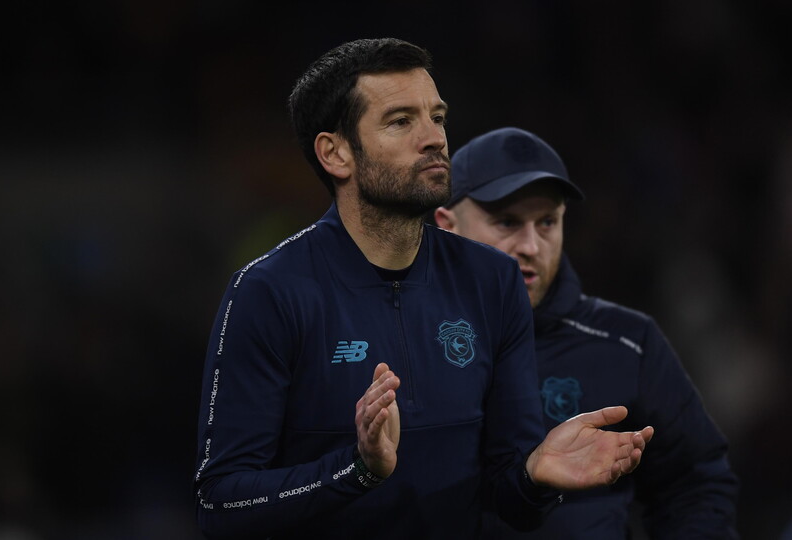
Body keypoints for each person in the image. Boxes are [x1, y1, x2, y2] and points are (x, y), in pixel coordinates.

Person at [193, 40, 654, 539]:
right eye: (401, 121)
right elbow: (222, 506)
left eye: (437, 117)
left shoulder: (493, 280)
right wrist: (357, 470)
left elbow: (512, 501)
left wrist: (535, 475)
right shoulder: (269, 292)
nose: (434, 138)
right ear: (336, 153)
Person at [434, 126, 739, 539]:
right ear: (446, 225)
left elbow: (695, 483)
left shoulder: (628, 343)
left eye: (547, 222)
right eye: (506, 221)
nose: (531, 245)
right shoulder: (402, 339)